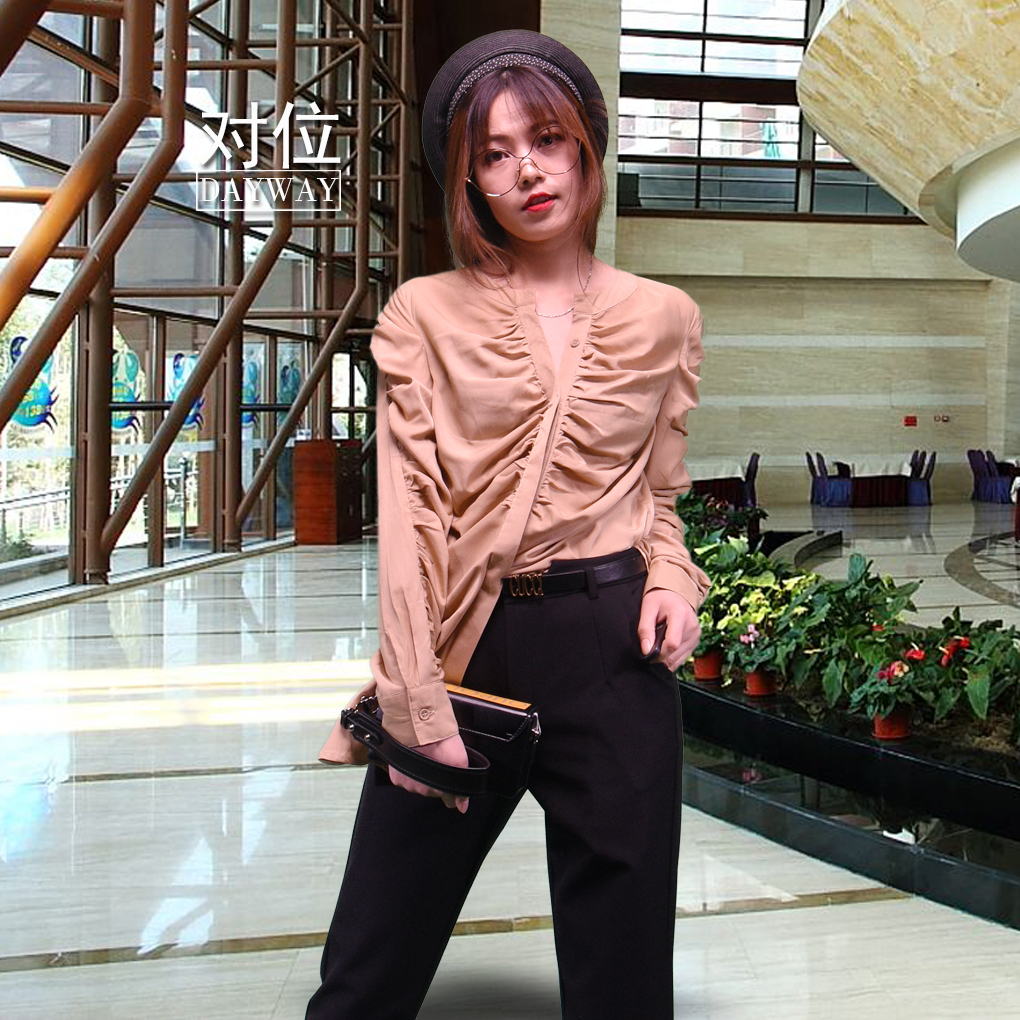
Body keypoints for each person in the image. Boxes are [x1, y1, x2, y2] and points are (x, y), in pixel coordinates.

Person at [308, 28, 712, 1020]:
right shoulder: (423, 313)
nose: (526, 169)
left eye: (547, 139)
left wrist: (670, 578)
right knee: (367, 971)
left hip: (613, 650)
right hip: (463, 646)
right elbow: (407, 517)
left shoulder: (666, 315)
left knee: (624, 985)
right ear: (471, 182)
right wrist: (413, 700)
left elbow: (659, 495)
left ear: (586, 146)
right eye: (493, 153)